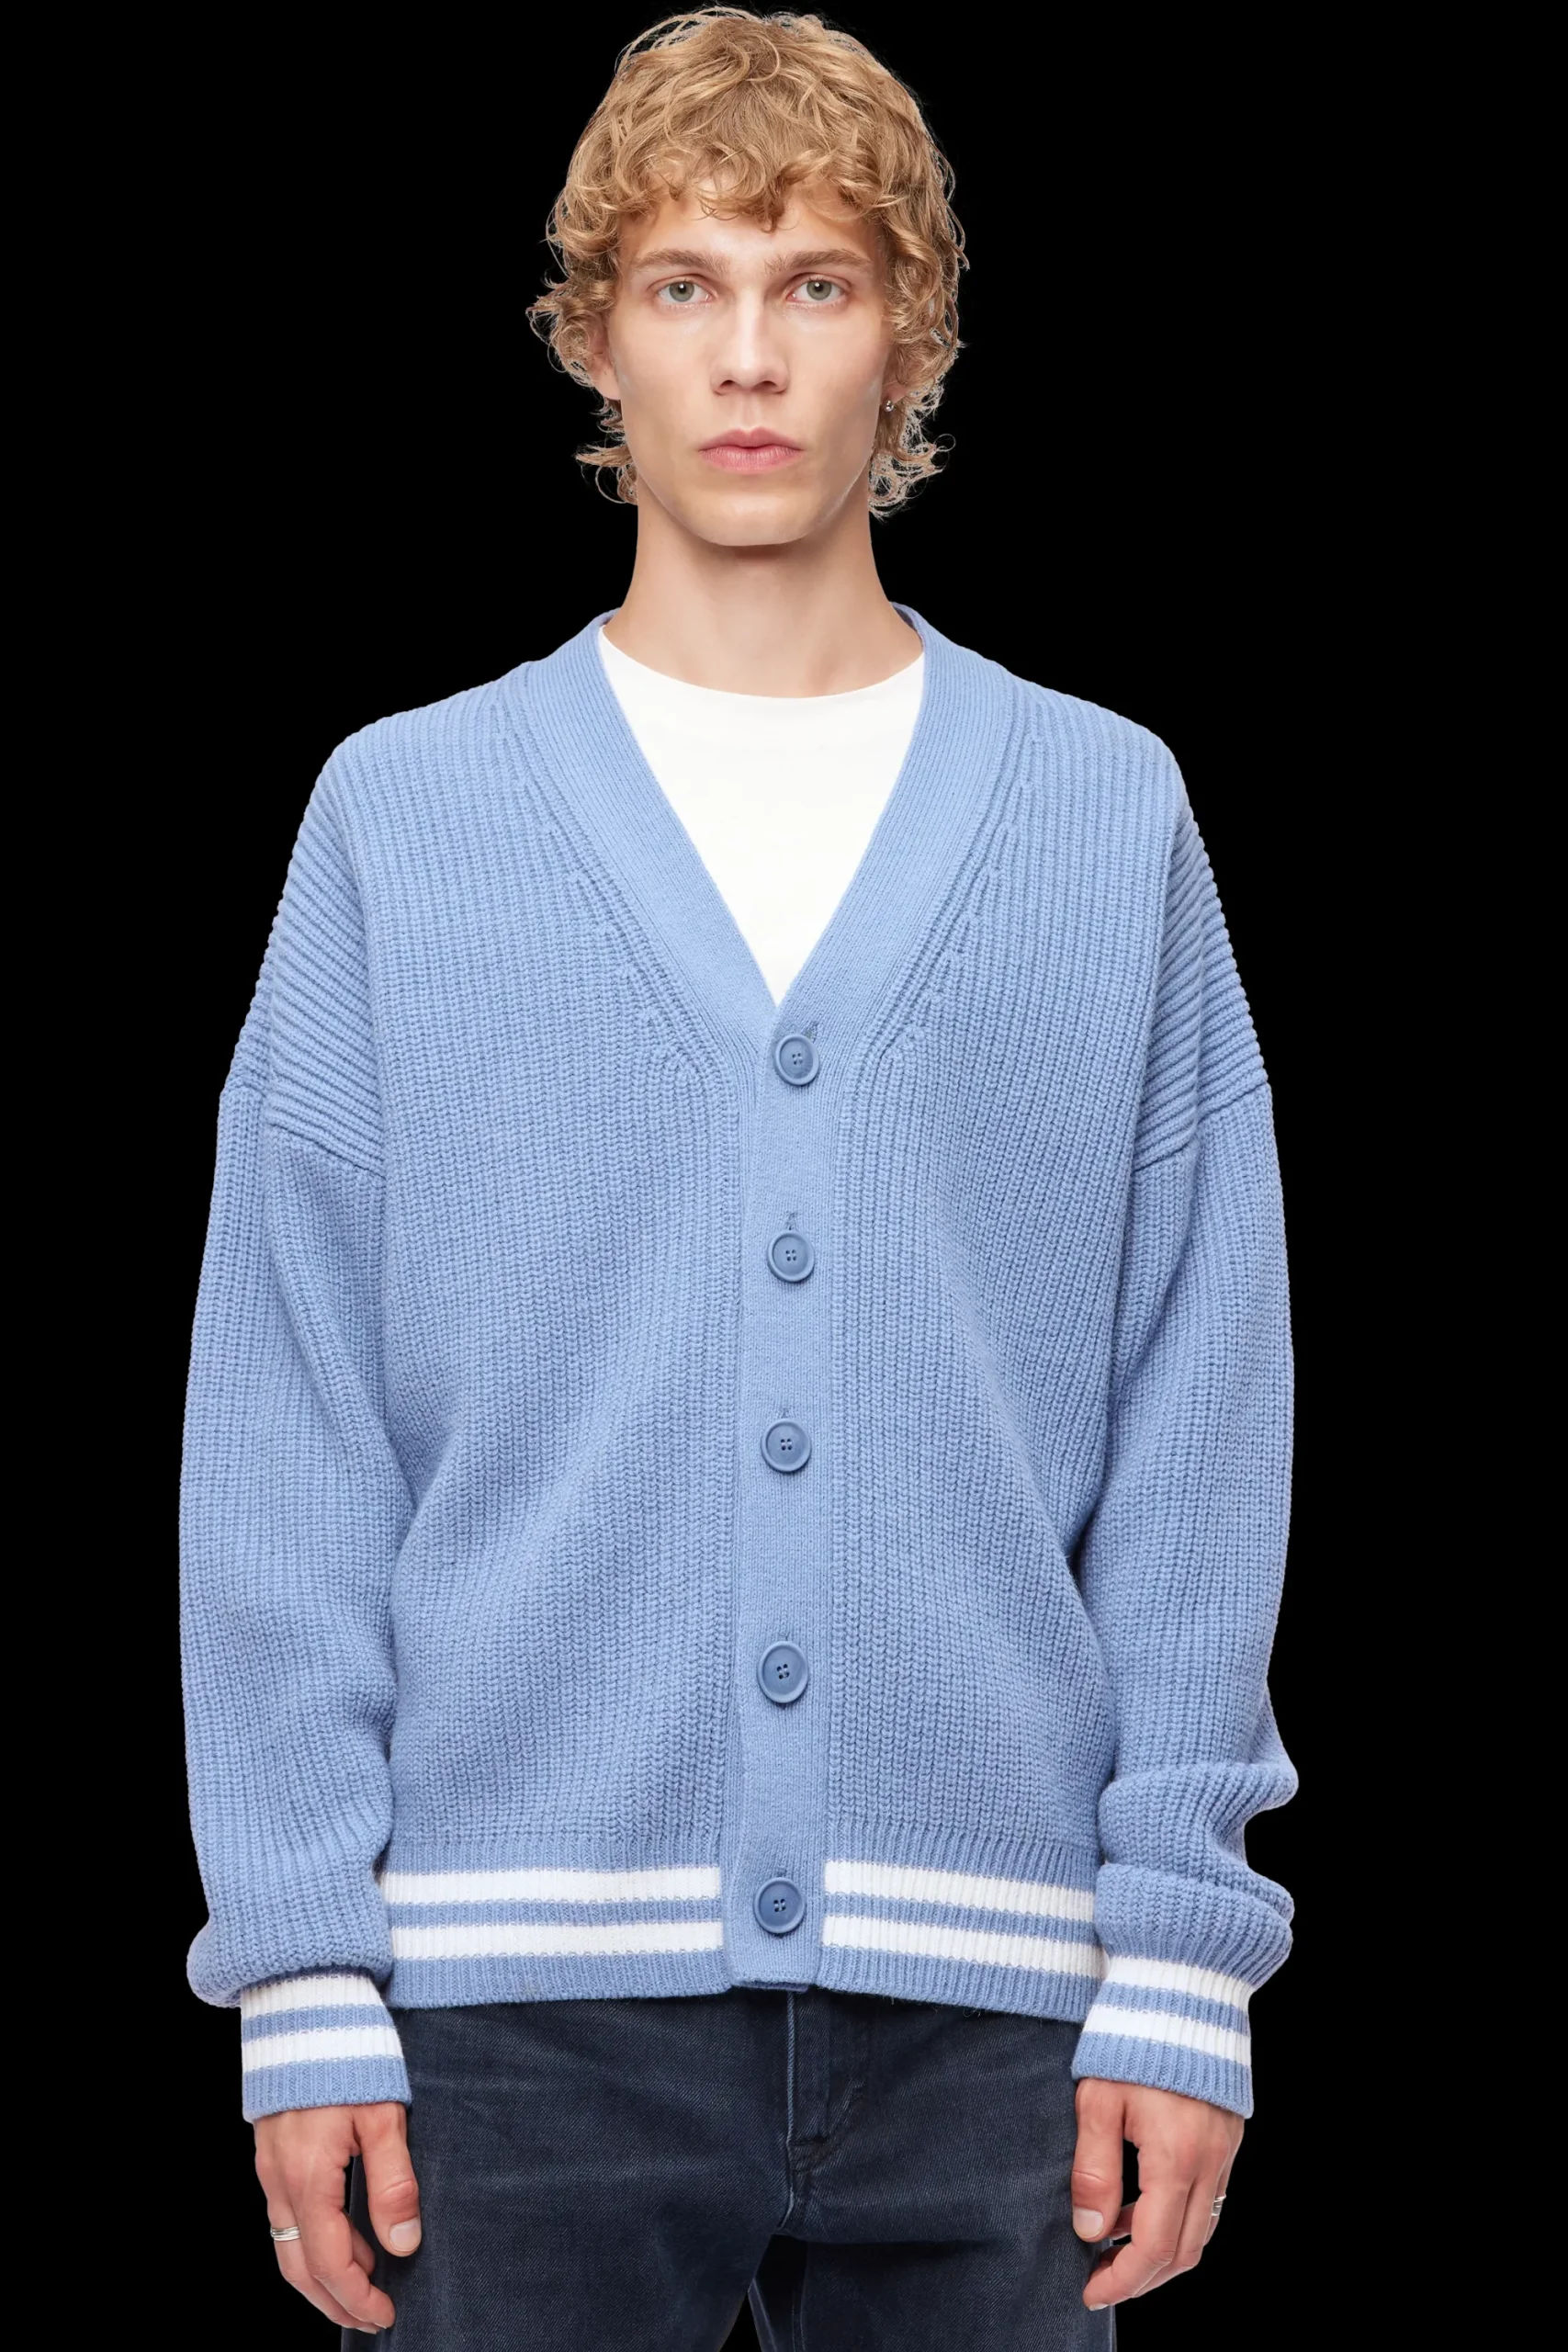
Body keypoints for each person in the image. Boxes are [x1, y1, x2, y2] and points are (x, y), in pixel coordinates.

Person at [179, 10, 1298, 2346]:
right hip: (502, 1999)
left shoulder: (1104, 816)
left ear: (911, 336)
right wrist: (299, 1960)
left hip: (1003, 2002)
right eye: (683, 284)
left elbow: (1200, 1397)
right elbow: (287, 1418)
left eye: (816, 283)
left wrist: (1185, 1949)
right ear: (594, 337)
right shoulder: (402, 818)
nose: (752, 356)